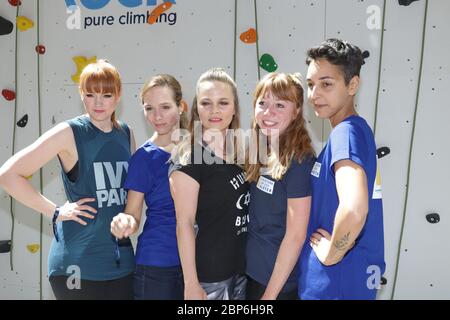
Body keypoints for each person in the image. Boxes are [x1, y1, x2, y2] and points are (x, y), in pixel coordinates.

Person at [0, 59, 135, 300]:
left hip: (121, 263)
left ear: (118, 95)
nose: (98, 102)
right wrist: (55, 210)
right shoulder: (69, 132)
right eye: (90, 94)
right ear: (81, 94)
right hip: (77, 264)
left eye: (106, 94)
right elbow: (8, 175)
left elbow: (135, 194)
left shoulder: (126, 133)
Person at [299, 39, 385, 300]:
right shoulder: (354, 131)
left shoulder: (346, 133)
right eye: (311, 85)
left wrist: (332, 253)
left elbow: (355, 208)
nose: (314, 95)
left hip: (335, 284)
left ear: (353, 84)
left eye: (326, 84)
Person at [169, 68, 249, 300]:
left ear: (234, 108)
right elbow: (183, 224)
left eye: (223, 102)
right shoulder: (189, 158)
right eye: (206, 103)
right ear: (196, 109)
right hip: (209, 278)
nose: (215, 110)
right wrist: (191, 283)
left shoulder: (239, 153)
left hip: (240, 272)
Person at [110, 74, 188, 300]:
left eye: (165, 107)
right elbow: (133, 213)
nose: (157, 116)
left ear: (180, 107)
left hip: (196, 263)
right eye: (149, 108)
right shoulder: (144, 157)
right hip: (157, 265)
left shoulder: (200, 150)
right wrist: (125, 222)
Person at [245, 72, 315, 300]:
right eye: (262, 103)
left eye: (280, 105)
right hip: (251, 275)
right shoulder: (260, 152)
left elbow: (295, 236)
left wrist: (269, 296)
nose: (268, 112)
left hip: (275, 286)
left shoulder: (300, 162)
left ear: (296, 112)